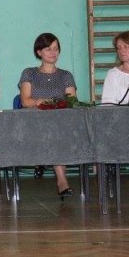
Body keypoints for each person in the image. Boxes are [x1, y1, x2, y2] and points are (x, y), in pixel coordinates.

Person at [18, 32, 77, 199]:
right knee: (55, 131)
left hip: (60, 122)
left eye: (56, 49)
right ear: (39, 52)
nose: (53, 52)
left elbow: (72, 101)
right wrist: (45, 102)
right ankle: (62, 181)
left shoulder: (66, 75)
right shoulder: (29, 73)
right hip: (34, 122)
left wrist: (58, 104)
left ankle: (61, 179)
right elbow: (25, 101)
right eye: (48, 49)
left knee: (59, 130)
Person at [101, 30, 129, 105]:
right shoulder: (113, 74)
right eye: (118, 48)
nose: (121, 51)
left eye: (126, 47)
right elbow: (107, 104)